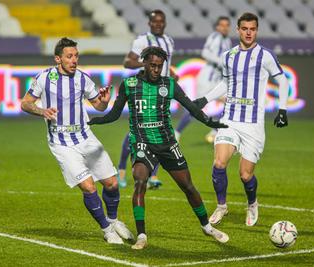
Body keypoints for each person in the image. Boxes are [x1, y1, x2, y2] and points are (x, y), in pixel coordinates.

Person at [88, 47, 230, 250]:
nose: (156, 70)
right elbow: (114, 114)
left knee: (188, 187)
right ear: (144, 63)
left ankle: (206, 226)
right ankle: (142, 235)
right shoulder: (129, 85)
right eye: (152, 65)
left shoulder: (169, 85)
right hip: (142, 143)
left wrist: (210, 122)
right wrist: (95, 121)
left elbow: (191, 107)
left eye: (159, 66)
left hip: (167, 143)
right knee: (140, 181)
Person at [21, 37, 133, 244]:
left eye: (76, 56)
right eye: (69, 56)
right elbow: (25, 104)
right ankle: (107, 230)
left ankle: (114, 220)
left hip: (86, 137)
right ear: (58, 59)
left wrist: (104, 102)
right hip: (61, 143)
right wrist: (41, 110)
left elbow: (98, 106)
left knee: (112, 183)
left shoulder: (83, 78)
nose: (74, 60)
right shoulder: (44, 78)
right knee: (89, 187)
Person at [193, 13, 289, 226]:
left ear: (256, 30)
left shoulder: (266, 55)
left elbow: (282, 81)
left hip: (253, 124)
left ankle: (252, 203)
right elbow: (225, 84)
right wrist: (205, 99)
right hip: (230, 119)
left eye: (252, 29)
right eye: (244, 28)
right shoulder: (229, 55)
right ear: (238, 30)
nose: (248, 32)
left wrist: (282, 110)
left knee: (245, 175)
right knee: (219, 163)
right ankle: (221, 207)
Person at [118, 9, 177, 189]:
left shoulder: (169, 41)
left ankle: (153, 176)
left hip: (163, 91)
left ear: (165, 22)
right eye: (155, 22)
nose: (158, 24)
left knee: (160, 130)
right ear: (149, 23)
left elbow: (166, 64)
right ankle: (121, 169)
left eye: (161, 21)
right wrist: (146, 64)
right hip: (145, 90)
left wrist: (172, 74)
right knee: (138, 130)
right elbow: (128, 62)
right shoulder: (142, 40)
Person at [175, 16, 232, 143]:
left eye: (227, 25)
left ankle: (215, 131)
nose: (224, 28)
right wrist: (221, 62)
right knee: (195, 108)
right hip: (206, 79)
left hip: (217, 81)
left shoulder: (227, 41)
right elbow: (205, 53)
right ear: (217, 27)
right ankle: (176, 133)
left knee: (230, 103)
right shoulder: (215, 37)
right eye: (222, 25)